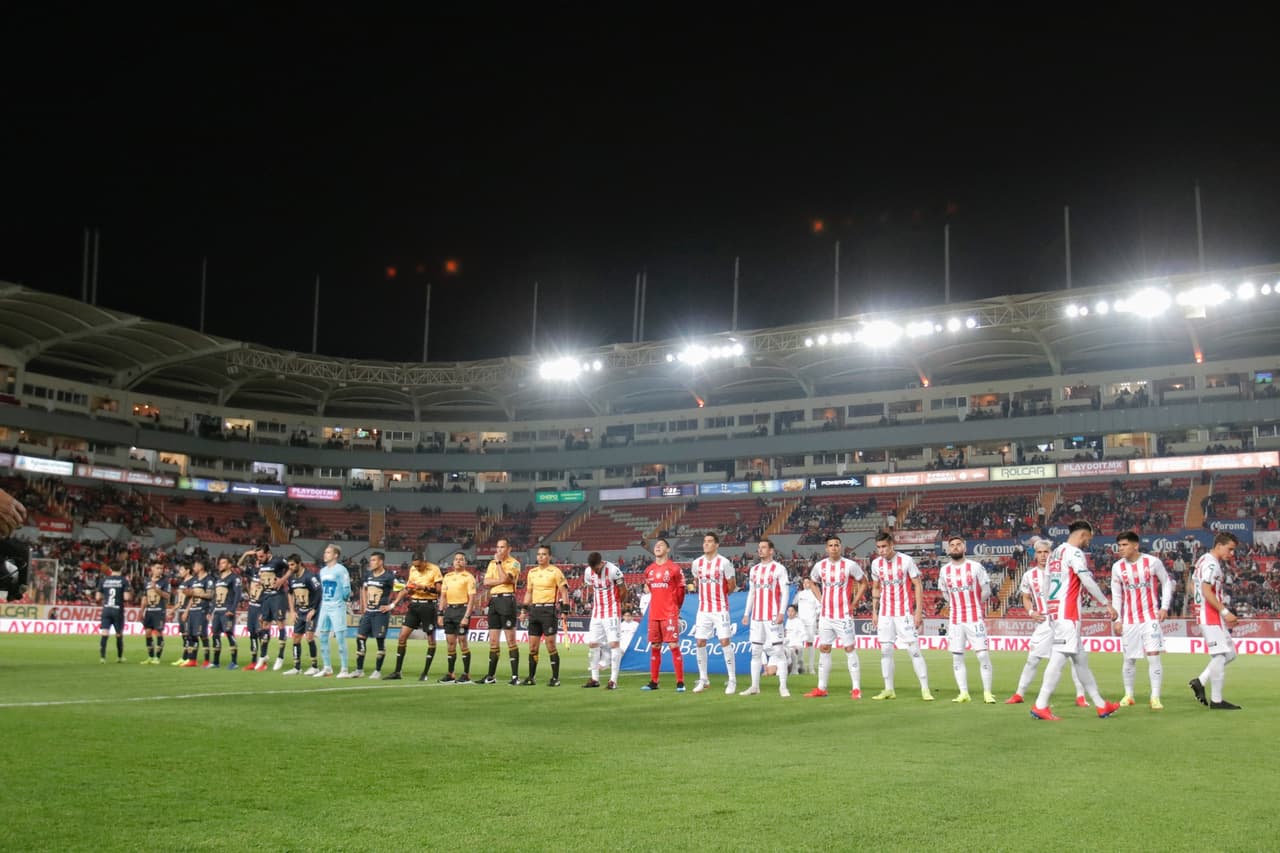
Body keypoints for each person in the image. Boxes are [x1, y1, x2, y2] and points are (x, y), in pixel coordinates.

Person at [1029, 521, 1121, 721]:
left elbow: (1045, 583)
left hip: (1056, 612)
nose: (1089, 541)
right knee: (1058, 660)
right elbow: (1086, 580)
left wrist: (1049, 607)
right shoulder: (1074, 553)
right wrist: (1106, 603)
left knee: (1081, 662)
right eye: (1089, 538)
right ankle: (1040, 705)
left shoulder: (1056, 553)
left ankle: (1100, 704)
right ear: (1083, 535)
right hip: (1068, 615)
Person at [1007, 538, 1088, 706]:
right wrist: (1031, 611)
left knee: (1075, 659)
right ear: (1035, 555)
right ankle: (1019, 693)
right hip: (1044, 622)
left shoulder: (1065, 571)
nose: (1043, 555)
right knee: (1033, 659)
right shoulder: (1029, 575)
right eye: (1040, 552)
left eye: (1046, 552)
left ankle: (1081, 696)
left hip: (1064, 620)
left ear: (1052, 554)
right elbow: (1026, 597)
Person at [1110, 531, 1173, 709]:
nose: (1120, 549)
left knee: (1153, 657)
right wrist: (1117, 619)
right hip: (1129, 620)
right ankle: (1129, 695)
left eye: (1124, 545)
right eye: (1119, 545)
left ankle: (1155, 697)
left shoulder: (1152, 562)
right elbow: (1117, 595)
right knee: (1129, 659)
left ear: (1135, 545)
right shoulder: (1117, 567)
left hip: (1150, 618)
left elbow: (1166, 582)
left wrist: (1164, 607)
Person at [869, 532, 933, 701]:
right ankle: (888, 689)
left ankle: (925, 689)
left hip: (903, 612)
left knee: (914, 650)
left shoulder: (906, 560)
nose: (881, 550)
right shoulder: (875, 564)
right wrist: (875, 612)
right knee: (885, 651)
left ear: (892, 545)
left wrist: (918, 611)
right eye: (878, 547)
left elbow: (917, 585)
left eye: (884, 547)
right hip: (885, 614)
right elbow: (876, 587)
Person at [804, 536, 866, 699]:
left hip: (844, 615)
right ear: (826, 548)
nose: (833, 548)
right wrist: (820, 599)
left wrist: (853, 603)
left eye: (836, 545)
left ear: (841, 547)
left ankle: (856, 689)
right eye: (830, 545)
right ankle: (821, 688)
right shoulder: (820, 566)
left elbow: (864, 582)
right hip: (826, 616)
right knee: (824, 649)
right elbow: (812, 582)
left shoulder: (850, 565)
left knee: (849, 649)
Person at [936, 535, 995, 704]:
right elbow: (945, 593)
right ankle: (963, 693)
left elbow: (986, 590)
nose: (955, 547)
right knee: (957, 657)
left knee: (982, 655)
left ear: (965, 547)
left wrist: (975, 603)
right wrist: (956, 605)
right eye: (952, 545)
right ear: (948, 549)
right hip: (955, 619)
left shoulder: (975, 567)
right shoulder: (944, 570)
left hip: (974, 617)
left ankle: (987, 693)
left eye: (958, 545)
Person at [1188, 531, 1242, 710]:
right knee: (1220, 654)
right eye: (1230, 549)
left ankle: (1200, 681)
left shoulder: (1203, 560)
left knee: (1230, 653)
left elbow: (1193, 586)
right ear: (1219, 545)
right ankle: (1216, 700)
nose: (1231, 554)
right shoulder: (1212, 564)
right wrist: (1225, 612)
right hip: (1209, 614)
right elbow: (1206, 590)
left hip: (1209, 613)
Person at [739, 538, 791, 697]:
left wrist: (782, 612)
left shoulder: (779, 569)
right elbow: (751, 593)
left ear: (771, 551)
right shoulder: (754, 570)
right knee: (755, 651)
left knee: (778, 651)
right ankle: (754, 686)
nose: (760, 550)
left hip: (773, 616)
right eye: (759, 547)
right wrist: (747, 614)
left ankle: (783, 687)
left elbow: (785, 592)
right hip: (757, 617)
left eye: (763, 547)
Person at [690, 532, 739, 694]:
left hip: (720, 609)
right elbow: (696, 581)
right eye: (705, 541)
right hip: (703, 609)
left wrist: (721, 598)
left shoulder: (724, 563)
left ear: (717, 545)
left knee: (725, 641)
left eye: (710, 541)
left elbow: (732, 584)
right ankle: (703, 679)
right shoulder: (697, 563)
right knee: (699, 642)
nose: (706, 544)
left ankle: (732, 680)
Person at [387, 552, 443, 681]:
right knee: (402, 637)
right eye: (415, 566)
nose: (417, 568)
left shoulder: (434, 569)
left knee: (430, 640)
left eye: (419, 566)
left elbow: (440, 590)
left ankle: (425, 673)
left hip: (428, 606)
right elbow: (409, 588)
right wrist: (411, 590)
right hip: (414, 605)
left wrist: (424, 587)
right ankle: (397, 672)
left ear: (424, 561)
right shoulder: (412, 569)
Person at [520, 545, 569, 686]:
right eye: (539, 554)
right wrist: (524, 610)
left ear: (549, 557)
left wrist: (565, 611)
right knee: (533, 647)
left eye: (544, 554)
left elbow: (564, 592)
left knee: (551, 645)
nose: (541, 557)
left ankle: (555, 678)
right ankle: (531, 677)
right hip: (534, 611)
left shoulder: (556, 572)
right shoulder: (532, 572)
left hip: (549, 611)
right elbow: (528, 592)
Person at [241, 544, 289, 671]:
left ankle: (280, 657)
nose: (259, 559)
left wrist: (282, 580)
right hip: (266, 598)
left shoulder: (278, 561)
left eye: (261, 556)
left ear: (268, 553)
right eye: (258, 556)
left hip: (278, 597)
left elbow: (292, 568)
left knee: (280, 625)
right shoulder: (261, 565)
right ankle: (262, 656)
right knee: (264, 625)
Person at [481, 538, 522, 685]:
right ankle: (491, 676)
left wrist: (499, 564)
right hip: (494, 601)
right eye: (497, 547)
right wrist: (501, 580)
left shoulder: (514, 563)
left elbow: (507, 578)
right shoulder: (491, 563)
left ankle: (515, 676)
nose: (499, 550)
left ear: (509, 549)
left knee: (511, 640)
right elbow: (486, 582)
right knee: (493, 641)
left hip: (507, 600)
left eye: (502, 547)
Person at [585, 551, 628, 690]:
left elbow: (623, 590)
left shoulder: (613, 571)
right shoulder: (588, 572)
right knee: (593, 644)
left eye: (596, 568)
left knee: (614, 644)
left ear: (601, 563)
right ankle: (594, 678)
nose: (595, 571)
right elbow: (592, 588)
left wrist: (617, 604)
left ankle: (613, 681)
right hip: (597, 612)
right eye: (593, 569)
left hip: (612, 612)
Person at [353, 551, 397, 679]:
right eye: (370, 560)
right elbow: (364, 589)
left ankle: (377, 671)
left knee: (380, 641)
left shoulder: (389, 577)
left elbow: (403, 590)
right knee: (360, 638)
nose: (370, 562)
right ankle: (359, 670)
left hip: (380, 614)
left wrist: (391, 605)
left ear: (380, 562)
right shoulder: (368, 575)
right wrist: (364, 605)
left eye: (373, 560)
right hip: (368, 613)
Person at [436, 551, 477, 683]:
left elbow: (472, 599)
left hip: (462, 610)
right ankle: (450, 673)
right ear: (453, 562)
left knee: (463, 642)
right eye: (456, 559)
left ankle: (466, 674)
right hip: (449, 611)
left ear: (465, 562)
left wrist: (466, 616)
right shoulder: (447, 576)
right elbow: (443, 596)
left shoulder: (469, 577)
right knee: (450, 644)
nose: (458, 561)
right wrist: (440, 613)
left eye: (461, 559)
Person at [313, 543, 353, 678]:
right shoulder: (322, 571)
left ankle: (344, 669)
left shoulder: (341, 570)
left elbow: (347, 589)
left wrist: (341, 599)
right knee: (323, 637)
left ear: (335, 555)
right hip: (325, 607)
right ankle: (327, 668)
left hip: (337, 607)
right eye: (325, 552)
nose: (325, 554)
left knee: (340, 639)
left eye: (328, 552)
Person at [283, 556, 323, 676]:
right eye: (289, 565)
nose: (290, 568)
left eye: (292, 565)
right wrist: (292, 611)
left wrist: (314, 609)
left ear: (299, 564)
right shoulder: (291, 579)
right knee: (296, 638)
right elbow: (290, 594)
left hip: (310, 612)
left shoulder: (310, 576)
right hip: (299, 612)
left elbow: (319, 592)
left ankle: (315, 667)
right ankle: (296, 667)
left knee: (309, 637)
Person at [210, 556, 243, 669]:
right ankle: (215, 662)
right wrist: (211, 611)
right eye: (220, 563)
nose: (220, 565)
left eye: (223, 563)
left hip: (227, 611)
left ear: (229, 565)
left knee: (229, 634)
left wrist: (232, 610)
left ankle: (234, 662)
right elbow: (215, 596)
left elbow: (238, 595)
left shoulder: (234, 578)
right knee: (215, 635)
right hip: (217, 611)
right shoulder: (218, 579)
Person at [182, 560, 215, 668]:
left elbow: (210, 595)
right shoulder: (195, 580)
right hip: (193, 610)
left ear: (201, 566)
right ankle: (192, 660)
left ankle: (206, 661)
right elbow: (192, 597)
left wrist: (195, 593)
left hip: (202, 610)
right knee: (191, 636)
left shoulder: (209, 580)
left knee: (202, 635)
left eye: (195, 565)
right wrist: (186, 611)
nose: (193, 567)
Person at [96, 563, 131, 663]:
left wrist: (105, 597)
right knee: (119, 634)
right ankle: (119, 657)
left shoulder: (104, 580)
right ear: (122, 568)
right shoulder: (124, 580)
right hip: (117, 610)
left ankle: (102, 658)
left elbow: (98, 597)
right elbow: (126, 597)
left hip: (106, 609)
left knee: (105, 633)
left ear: (110, 569)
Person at [139, 561, 170, 664]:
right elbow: (144, 597)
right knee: (147, 633)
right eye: (157, 568)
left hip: (159, 611)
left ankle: (157, 657)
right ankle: (150, 656)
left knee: (158, 632)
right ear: (152, 569)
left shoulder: (165, 581)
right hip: (149, 611)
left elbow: (167, 596)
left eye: (161, 568)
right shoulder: (147, 581)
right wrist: (141, 611)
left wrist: (156, 589)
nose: (160, 570)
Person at [792, 577, 821, 674]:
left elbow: (820, 607)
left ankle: (811, 667)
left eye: (807, 582)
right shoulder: (799, 594)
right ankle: (799, 666)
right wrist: (795, 615)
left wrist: (815, 614)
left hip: (810, 622)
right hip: (800, 622)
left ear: (810, 584)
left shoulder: (814, 594)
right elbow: (793, 606)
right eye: (804, 582)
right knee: (798, 643)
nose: (805, 584)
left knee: (810, 643)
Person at [171, 563, 195, 667]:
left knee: (188, 636)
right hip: (181, 611)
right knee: (184, 636)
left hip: (188, 612)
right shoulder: (181, 583)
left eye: (181, 569)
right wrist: (173, 610)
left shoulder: (192, 582)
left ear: (188, 570)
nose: (179, 572)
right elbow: (180, 601)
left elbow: (193, 598)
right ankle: (185, 657)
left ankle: (189, 658)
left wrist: (187, 611)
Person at [784, 604, 806, 674]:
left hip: (797, 644)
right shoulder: (786, 622)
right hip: (787, 645)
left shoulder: (799, 622)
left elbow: (804, 634)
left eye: (792, 611)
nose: (790, 613)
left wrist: (798, 644)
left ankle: (795, 670)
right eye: (788, 611)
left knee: (793, 651)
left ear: (796, 612)